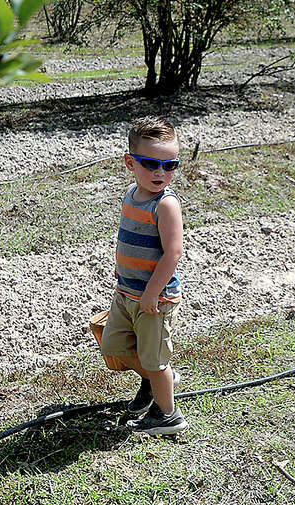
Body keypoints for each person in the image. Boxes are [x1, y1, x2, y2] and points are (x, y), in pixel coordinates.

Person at [99, 115, 188, 435]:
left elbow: (173, 252)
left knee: (155, 360)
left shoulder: (166, 205)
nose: (161, 172)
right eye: (151, 163)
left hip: (154, 298)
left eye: (170, 165)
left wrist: (152, 292)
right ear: (129, 162)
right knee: (113, 345)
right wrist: (122, 270)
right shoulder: (130, 195)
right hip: (127, 290)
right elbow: (131, 237)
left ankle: (167, 415)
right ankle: (156, 380)